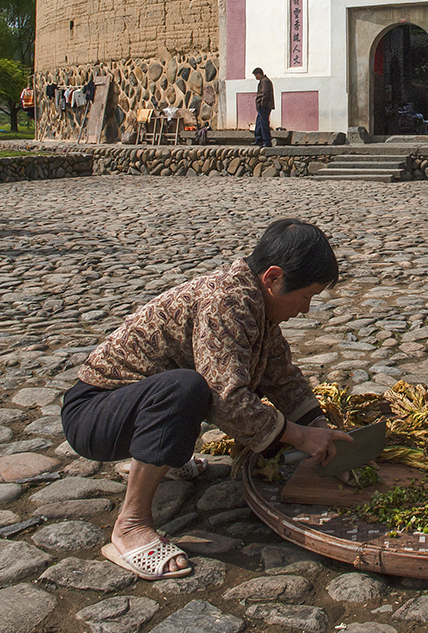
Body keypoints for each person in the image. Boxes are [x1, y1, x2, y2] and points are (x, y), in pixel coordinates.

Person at [61, 219, 352, 580]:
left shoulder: (256, 305)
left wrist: (317, 424)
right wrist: (301, 437)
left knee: (208, 384)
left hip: (130, 407)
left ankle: (162, 459)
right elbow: (227, 399)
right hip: (93, 415)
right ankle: (130, 525)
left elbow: (281, 375)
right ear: (273, 278)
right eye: (306, 296)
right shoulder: (225, 301)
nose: (306, 309)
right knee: (187, 389)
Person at [252, 67, 274, 147]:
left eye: (256, 75)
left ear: (258, 74)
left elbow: (265, 94)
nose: (256, 77)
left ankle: (266, 141)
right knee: (259, 123)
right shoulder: (263, 81)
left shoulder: (265, 81)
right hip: (261, 106)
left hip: (264, 106)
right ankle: (259, 139)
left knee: (264, 123)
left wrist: (262, 104)